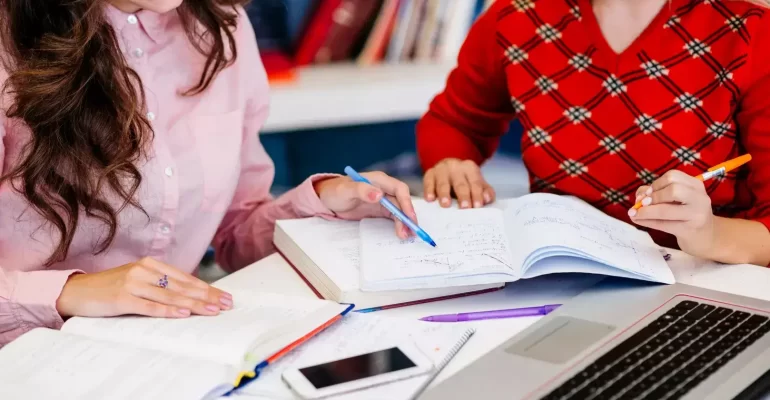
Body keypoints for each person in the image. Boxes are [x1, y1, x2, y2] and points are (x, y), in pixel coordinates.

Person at [0, 0, 417, 346]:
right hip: (32, 358)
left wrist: (322, 202)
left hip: (181, 349)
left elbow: (235, 231)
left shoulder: (222, 27)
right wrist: (72, 292)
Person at [417, 0, 770, 266]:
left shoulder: (752, 32)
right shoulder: (515, 16)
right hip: (559, 276)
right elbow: (453, 121)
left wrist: (709, 235)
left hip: (705, 286)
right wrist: (451, 161)